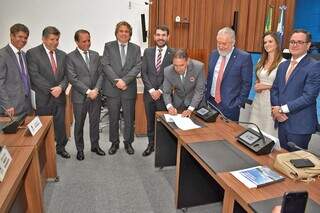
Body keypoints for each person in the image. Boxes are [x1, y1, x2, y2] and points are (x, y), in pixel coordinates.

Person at [271, 29, 320, 150]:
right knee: (281, 158)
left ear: (308, 45)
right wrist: (277, 110)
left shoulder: (314, 66)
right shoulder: (283, 65)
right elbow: (275, 89)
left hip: (300, 125)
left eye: (299, 42)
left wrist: (282, 109)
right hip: (281, 121)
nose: (294, 45)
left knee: (294, 163)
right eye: (292, 42)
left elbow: (309, 97)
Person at [26, 26, 70, 159]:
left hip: (59, 96)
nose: (55, 42)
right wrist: (52, 89)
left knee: (60, 125)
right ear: (43, 39)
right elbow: (35, 76)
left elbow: (67, 76)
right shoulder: (32, 53)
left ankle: (61, 148)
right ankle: (43, 151)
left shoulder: (63, 55)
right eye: (52, 39)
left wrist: (61, 87)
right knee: (43, 126)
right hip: (43, 97)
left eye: (57, 39)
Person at [101, 21, 142, 155]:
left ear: (129, 34)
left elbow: (137, 67)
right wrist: (116, 81)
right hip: (112, 89)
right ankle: (114, 143)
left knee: (129, 118)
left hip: (128, 88)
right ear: (116, 33)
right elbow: (105, 65)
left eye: (126, 31)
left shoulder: (135, 48)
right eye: (121, 31)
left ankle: (128, 142)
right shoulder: (108, 46)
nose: (124, 33)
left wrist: (124, 81)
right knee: (113, 117)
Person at [66, 29, 105, 161]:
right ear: (77, 42)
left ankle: (95, 146)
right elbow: (73, 78)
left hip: (96, 96)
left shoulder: (95, 55)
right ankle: (80, 149)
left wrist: (97, 89)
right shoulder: (70, 57)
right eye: (84, 41)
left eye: (89, 40)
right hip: (80, 97)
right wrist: (89, 92)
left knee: (95, 123)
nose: (87, 43)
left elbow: (101, 74)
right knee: (79, 124)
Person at [206, 27, 253, 121]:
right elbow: (210, 77)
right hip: (210, 103)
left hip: (230, 107)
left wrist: (238, 104)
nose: (220, 46)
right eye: (218, 43)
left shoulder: (243, 58)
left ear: (233, 42)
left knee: (227, 135)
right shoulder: (214, 54)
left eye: (224, 43)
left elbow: (246, 84)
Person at [141, 25, 173, 156]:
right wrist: (151, 90)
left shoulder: (173, 53)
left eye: (163, 35)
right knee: (150, 121)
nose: (161, 38)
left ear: (168, 37)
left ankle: (162, 148)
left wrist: (159, 90)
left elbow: (172, 76)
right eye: (158, 35)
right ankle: (150, 145)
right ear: (154, 37)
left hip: (164, 95)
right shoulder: (147, 52)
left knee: (163, 123)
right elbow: (144, 73)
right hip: (149, 95)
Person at [249, 32, 284, 137]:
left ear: (277, 43)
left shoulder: (283, 63)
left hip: (272, 102)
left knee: (268, 133)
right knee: (254, 131)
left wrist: (267, 86)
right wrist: (257, 84)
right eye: (265, 42)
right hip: (258, 100)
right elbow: (259, 78)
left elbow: (284, 87)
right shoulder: (261, 60)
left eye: (270, 41)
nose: (267, 44)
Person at [0, 23, 32, 116]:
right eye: (20, 36)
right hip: (10, 108)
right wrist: (7, 105)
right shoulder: (2, 55)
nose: (23, 40)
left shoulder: (24, 55)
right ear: (11, 36)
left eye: (25, 38)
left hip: (26, 107)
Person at [163, 49, 205, 117]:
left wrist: (190, 109)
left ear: (187, 61)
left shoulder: (198, 67)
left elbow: (199, 91)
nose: (178, 69)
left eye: (181, 65)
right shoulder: (168, 71)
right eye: (175, 65)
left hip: (196, 105)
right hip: (178, 105)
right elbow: (166, 92)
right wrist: (170, 107)